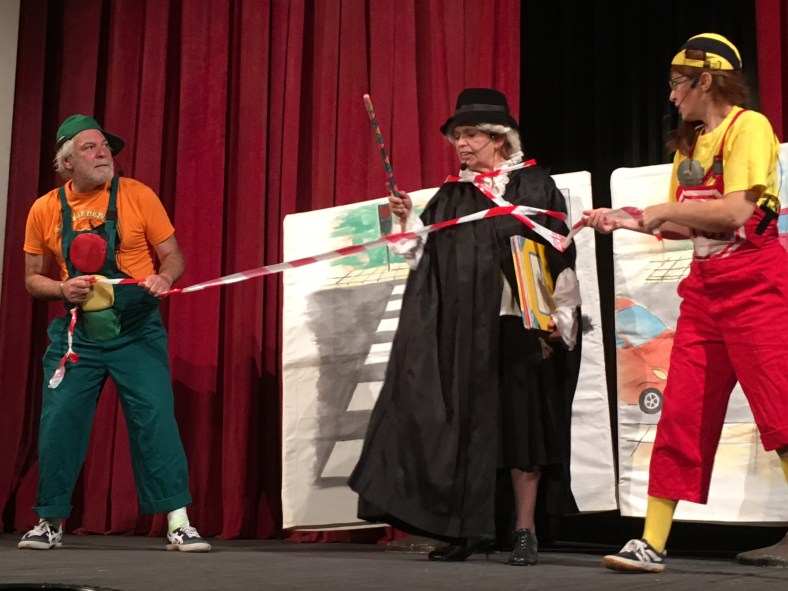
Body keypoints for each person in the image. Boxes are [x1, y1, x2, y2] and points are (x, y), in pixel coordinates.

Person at [349, 88, 582, 565]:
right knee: (466, 429)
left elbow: (559, 252)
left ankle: (524, 530)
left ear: (499, 138)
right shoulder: (452, 196)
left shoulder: (534, 184)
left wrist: (563, 317)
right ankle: (469, 528)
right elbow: (422, 259)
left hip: (520, 327)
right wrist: (407, 223)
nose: (461, 144)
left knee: (523, 432)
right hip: (465, 333)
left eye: (471, 134)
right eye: (457, 136)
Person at [585, 33, 788, 573]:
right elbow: (683, 224)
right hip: (704, 294)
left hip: (756, 287)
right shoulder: (690, 145)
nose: (672, 95)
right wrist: (627, 219)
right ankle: (651, 542)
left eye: (678, 84)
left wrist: (662, 209)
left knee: (781, 413)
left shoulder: (749, 127)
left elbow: (736, 212)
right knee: (681, 414)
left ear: (706, 80)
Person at [19, 115, 210, 552]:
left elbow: (173, 256)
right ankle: (49, 521)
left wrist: (164, 277)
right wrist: (61, 288)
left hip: (136, 331)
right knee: (60, 422)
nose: (103, 152)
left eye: (104, 145)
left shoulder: (137, 195)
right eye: (90, 147)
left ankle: (179, 522)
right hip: (77, 336)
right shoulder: (44, 209)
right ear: (67, 162)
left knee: (155, 419)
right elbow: (32, 279)